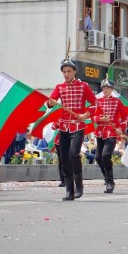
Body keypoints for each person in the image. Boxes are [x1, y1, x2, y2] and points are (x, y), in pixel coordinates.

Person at [48, 59, 97, 201]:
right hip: (63, 127)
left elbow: (94, 104)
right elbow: (51, 101)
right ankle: (69, 190)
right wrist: (50, 103)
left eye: (69, 71)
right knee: (63, 158)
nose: (66, 74)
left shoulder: (84, 86)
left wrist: (85, 115)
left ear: (75, 71)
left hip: (78, 126)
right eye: (64, 72)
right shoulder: (59, 87)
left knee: (73, 154)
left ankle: (79, 186)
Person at [92, 79, 128, 193]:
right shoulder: (98, 101)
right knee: (98, 157)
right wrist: (100, 119)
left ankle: (111, 182)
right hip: (100, 132)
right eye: (103, 88)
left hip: (112, 132)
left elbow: (125, 117)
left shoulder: (117, 102)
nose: (105, 90)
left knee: (105, 155)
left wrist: (120, 128)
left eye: (107, 88)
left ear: (112, 89)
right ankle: (107, 178)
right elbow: (93, 117)